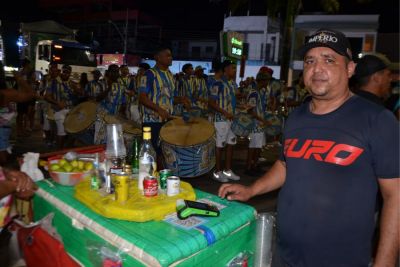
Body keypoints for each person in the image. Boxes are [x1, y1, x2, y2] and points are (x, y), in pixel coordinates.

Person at [219, 29, 399, 267]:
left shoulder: (377, 119)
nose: (317, 68)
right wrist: (251, 190)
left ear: (350, 69)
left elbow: (395, 195)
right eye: (310, 61)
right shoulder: (296, 117)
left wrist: (385, 262)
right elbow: (285, 164)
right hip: (285, 255)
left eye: (329, 60)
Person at [139, 46, 190, 167]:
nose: (170, 58)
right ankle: (151, 179)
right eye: (167, 55)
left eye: (171, 55)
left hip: (166, 120)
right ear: (157, 57)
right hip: (151, 121)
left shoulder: (170, 75)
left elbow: (170, 98)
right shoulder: (149, 74)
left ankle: (161, 178)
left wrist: (181, 100)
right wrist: (159, 109)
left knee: (163, 151)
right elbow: (142, 98)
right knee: (152, 153)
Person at [209, 59, 240, 182]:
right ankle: (217, 172)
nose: (234, 70)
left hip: (231, 120)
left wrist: (241, 108)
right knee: (219, 145)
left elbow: (231, 101)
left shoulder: (232, 84)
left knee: (231, 144)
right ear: (226, 69)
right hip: (221, 120)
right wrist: (225, 113)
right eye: (232, 68)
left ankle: (227, 170)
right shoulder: (218, 84)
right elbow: (211, 102)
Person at [0, 63, 35, 164]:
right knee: (3, 162)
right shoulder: (6, 93)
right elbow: (31, 94)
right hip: (2, 133)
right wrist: (19, 78)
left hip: (3, 134)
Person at [245, 72, 269, 175]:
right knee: (253, 146)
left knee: (258, 146)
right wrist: (262, 120)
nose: (268, 82)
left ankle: (254, 165)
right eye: (267, 80)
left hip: (260, 124)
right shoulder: (254, 93)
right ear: (262, 81)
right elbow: (250, 111)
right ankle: (249, 167)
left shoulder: (261, 92)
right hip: (255, 124)